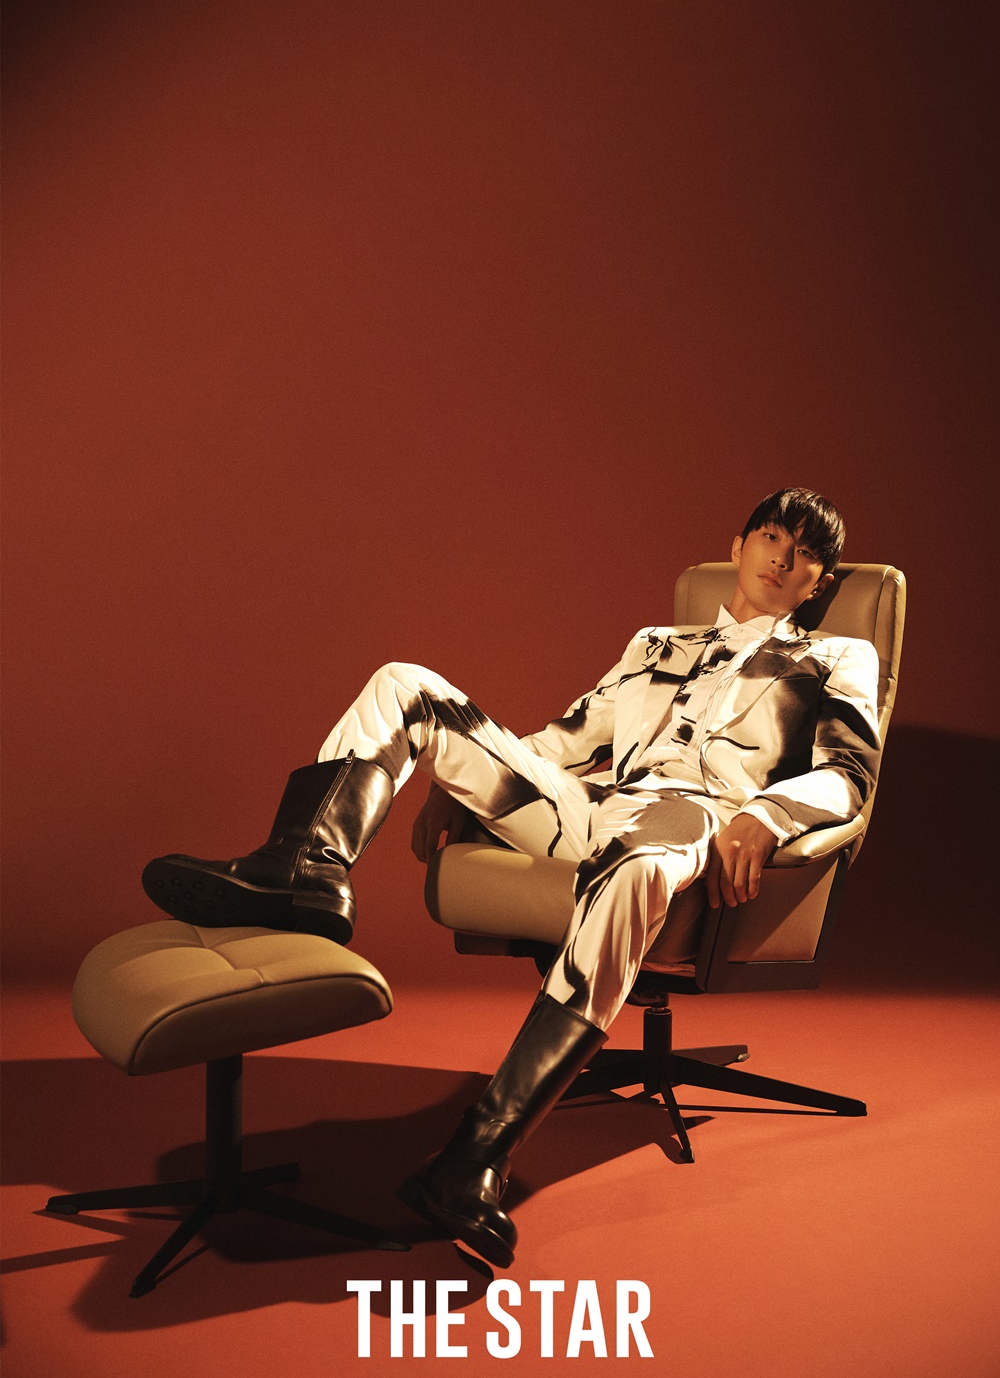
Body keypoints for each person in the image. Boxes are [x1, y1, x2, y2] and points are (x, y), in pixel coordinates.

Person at [141, 487, 881, 1267]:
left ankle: (475, 1157)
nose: (782, 559)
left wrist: (764, 816)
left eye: (805, 554)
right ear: (739, 546)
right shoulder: (654, 644)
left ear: (821, 582)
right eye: (772, 537)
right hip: (594, 803)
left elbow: (849, 774)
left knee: (635, 870)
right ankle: (305, 868)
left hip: (689, 815)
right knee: (406, 683)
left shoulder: (836, 657)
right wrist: (460, 777)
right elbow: (568, 740)